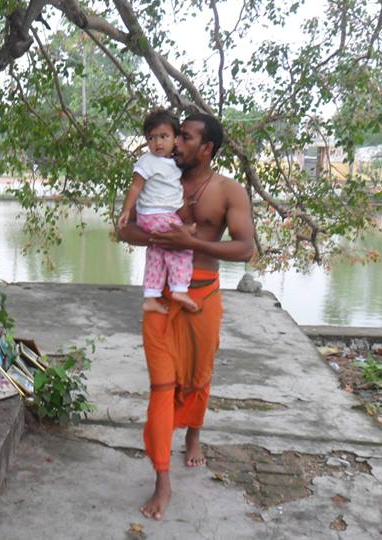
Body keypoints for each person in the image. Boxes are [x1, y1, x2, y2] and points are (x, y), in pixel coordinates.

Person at [118, 112, 255, 521]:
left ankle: (193, 436)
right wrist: (166, 236)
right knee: (162, 386)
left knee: (197, 377)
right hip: (160, 299)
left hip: (202, 297)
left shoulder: (230, 191)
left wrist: (192, 241)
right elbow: (124, 229)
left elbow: (246, 248)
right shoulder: (158, 177)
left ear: (207, 148)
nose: (175, 143)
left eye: (186, 138)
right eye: (174, 136)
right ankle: (162, 479)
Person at [118, 110, 198, 314]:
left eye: (164, 137)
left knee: (156, 253)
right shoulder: (147, 161)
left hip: (158, 214)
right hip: (155, 215)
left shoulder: (172, 164)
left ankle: (151, 296)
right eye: (151, 138)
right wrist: (127, 210)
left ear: (175, 138)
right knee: (181, 245)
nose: (157, 143)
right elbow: (135, 187)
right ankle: (180, 288)